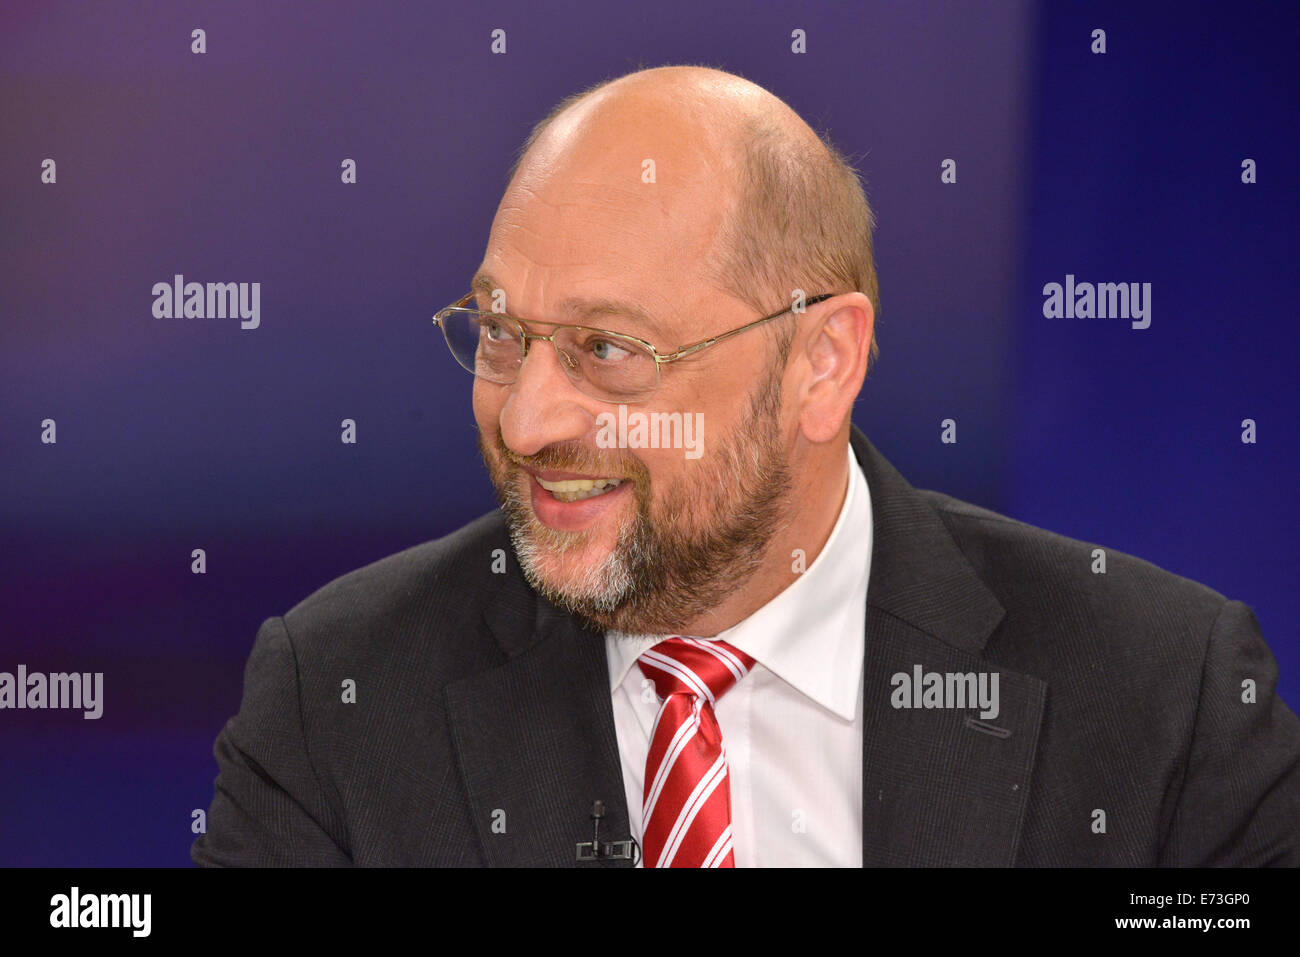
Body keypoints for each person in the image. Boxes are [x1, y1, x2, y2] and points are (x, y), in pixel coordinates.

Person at [192, 65, 1299, 867]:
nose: (526, 419)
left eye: (609, 351)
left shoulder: (1163, 698)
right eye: (498, 332)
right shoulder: (336, 699)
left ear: (822, 362)